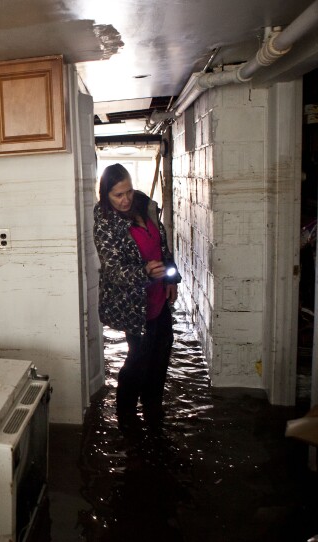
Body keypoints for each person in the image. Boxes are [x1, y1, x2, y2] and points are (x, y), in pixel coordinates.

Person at [93, 163, 178, 428]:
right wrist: (145, 273)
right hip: (134, 305)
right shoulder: (106, 225)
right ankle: (126, 415)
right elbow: (114, 271)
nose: (125, 199)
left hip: (159, 298)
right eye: (118, 195)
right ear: (106, 195)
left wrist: (171, 278)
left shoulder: (145, 207)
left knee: (162, 352)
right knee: (138, 359)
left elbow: (163, 248)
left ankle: (153, 405)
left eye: (128, 191)